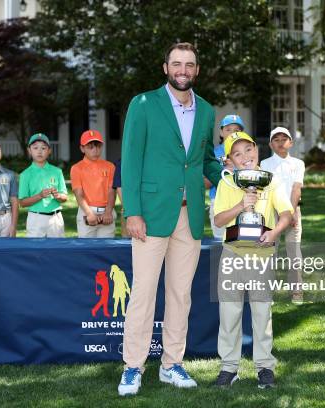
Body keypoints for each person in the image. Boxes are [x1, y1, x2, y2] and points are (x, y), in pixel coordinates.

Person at [118, 42, 221, 396]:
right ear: (165, 68)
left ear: (197, 69)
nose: (183, 70)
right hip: (149, 215)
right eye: (176, 64)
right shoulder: (144, 103)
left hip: (189, 216)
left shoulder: (206, 110)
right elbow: (130, 160)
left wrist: (232, 173)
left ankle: (172, 364)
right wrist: (132, 211)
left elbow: (205, 159)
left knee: (181, 295)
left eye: (189, 64)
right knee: (143, 295)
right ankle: (133, 367)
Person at [213, 131, 293, 389]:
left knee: (262, 314)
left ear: (256, 150)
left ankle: (264, 368)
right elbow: (218, 220)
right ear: (230, 160)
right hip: (233, 256)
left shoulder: (271, 181)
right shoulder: (226, 183)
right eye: (237, 154)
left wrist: (274, 232)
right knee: (229, 313)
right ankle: (229, 367)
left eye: (248, 150)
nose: (245, 156)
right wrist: (240, 205)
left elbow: (286, 214)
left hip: (262, 257)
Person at [260, 126, 305, 304]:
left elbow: (296, 188)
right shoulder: (265, 164)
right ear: (271, 144)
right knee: (270, 252)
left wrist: (292, 212)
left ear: (291, 142)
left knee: (294, 253)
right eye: (276, 140)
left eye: (284, 139)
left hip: (293, 212)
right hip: (272, 213)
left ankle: (297, 292)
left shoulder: (298, 164)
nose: (280, 142)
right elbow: (265, 190)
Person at [18, 133, 67, 237]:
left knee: (57, 250)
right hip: (36, 218)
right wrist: (39, 196)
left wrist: (58, 196)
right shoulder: (25, 174)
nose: (39, 151)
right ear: (29, 150)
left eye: (43, 148)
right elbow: (22, 203)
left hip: (55, 218)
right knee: (35, 252)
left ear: (49, 151)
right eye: (35, 148)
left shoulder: (57, 171)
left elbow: (64, 197)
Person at [205, 114, 245, 239]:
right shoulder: (213, 153)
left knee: (242, 243)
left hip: (242, 202)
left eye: (236, 130)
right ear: (221, 132)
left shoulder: (248, 152)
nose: (232, 133)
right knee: (220, 244)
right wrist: (223, 171)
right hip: (218, 202)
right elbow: (205, 184)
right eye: (228, 129)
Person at [70, 130, 116, 238]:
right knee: (86, 250)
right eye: (90, 147)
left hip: (107, 212)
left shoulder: (110, 166)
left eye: (98, 147)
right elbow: (79, 194)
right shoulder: (77, 168)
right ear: (82, 148)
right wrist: (89, 213)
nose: (95, 150)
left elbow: (111, 191)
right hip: (86, 212)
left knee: (106, 249)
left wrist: (108, 211)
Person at [112, 158, 129, 237]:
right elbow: (119, 186)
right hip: (129, 209)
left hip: (151, 209)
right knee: (128, 242)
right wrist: (127, 208)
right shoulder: (121, 163)